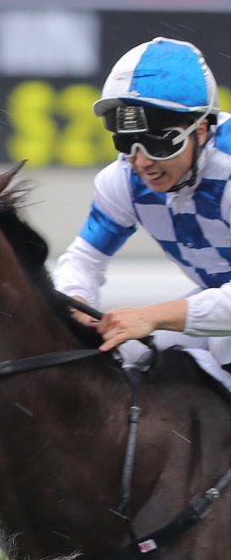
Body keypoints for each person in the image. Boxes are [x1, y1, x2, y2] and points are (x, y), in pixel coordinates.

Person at [53, 37, 231, 389]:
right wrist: (76, 302)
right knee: (121, 355)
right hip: (219, 306)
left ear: (202, 130)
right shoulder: (121, 181)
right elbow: (83, 260)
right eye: (125, 142)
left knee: (224, 343)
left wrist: (152, 316)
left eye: (159, 142)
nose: (142, 161)